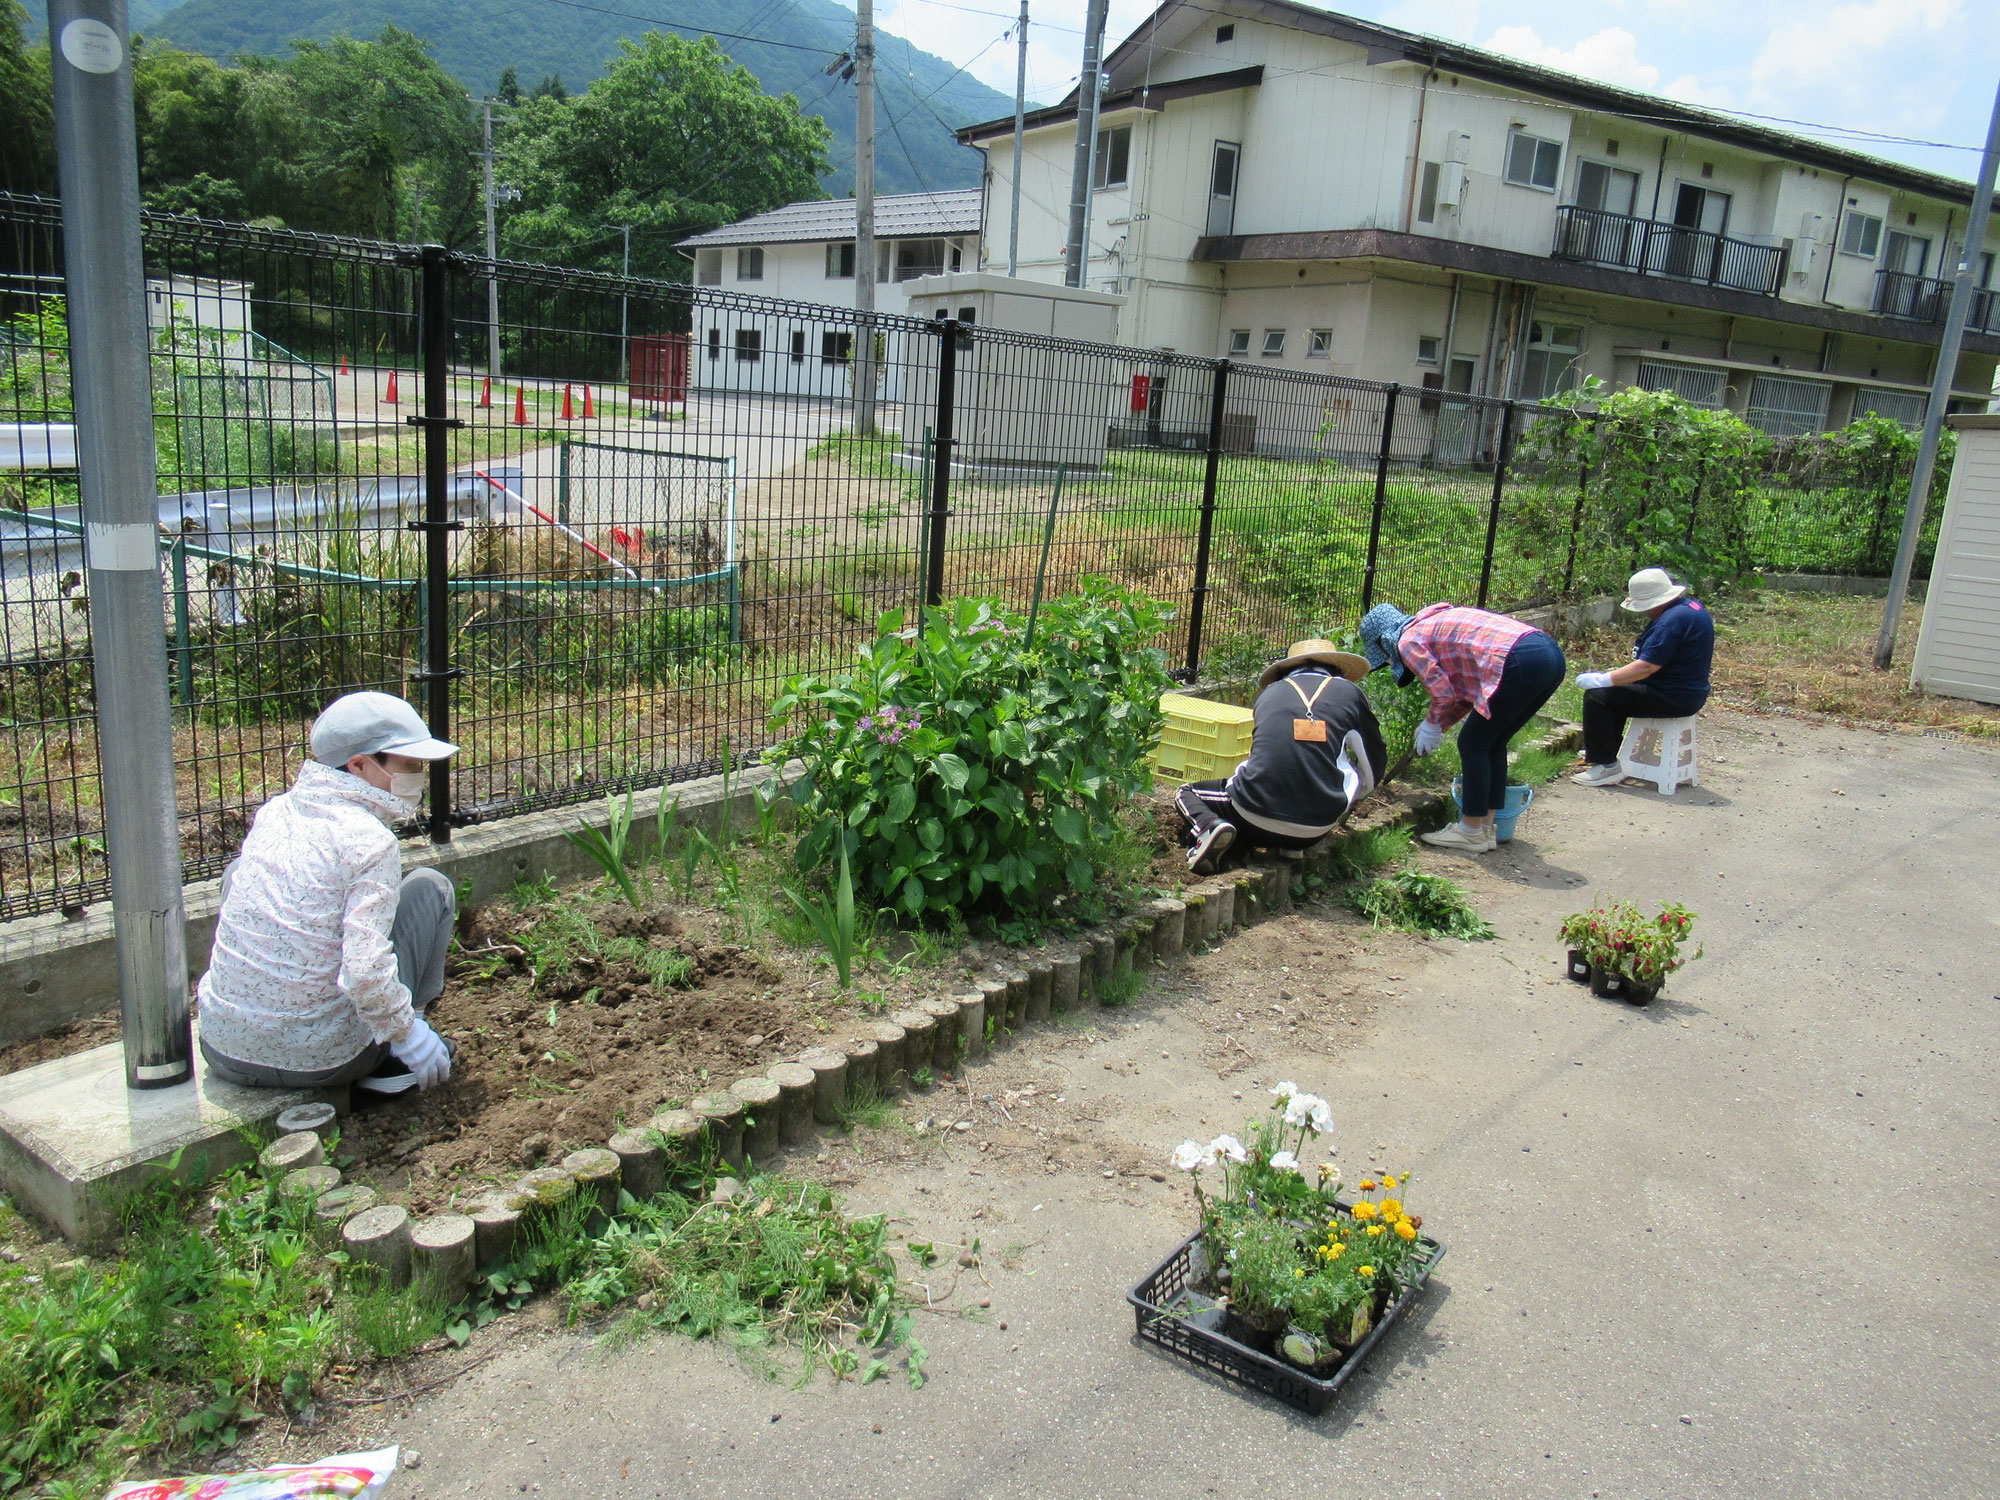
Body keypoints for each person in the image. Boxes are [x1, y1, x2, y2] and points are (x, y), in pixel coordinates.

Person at [198, 691, 460, 1095]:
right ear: (359, 765)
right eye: (410, 764)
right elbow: (362, 970)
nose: (419, 775)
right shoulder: (369, 840)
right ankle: (398, 1051)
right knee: (430, 889)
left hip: (222, 1050)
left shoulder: (274, 813)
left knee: (238, 873)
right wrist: (407, 1035)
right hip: (324, 1062)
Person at [1359, 600, 1566, 853]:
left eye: (1385, 657)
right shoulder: (1431, 625)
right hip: (1548, 654)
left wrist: (1430, 723)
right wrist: (1438, 726)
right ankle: (1485, 829)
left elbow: (1443, 694)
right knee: (1492, 741)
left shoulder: (1408, 640)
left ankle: (1469, 831)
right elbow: (1465, 698)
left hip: (1518, 659)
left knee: (1473, 743)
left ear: (1385, 640)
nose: (1390, 662)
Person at [1174, 639, 1387, 873]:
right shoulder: (1350, 694)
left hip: (1254, 819)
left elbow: (1269, 756)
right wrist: (1358, 796)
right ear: (1337, 670)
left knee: (1186, 792)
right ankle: (1289, 847)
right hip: (1316, 829)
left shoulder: (1270, 693)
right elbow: (1373, 762)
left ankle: (1210, 827)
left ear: (1285, 671)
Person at [1570, 568, 1715, 787]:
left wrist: (1605, 679)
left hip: (1673, 696)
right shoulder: (1688, 608)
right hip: (1687, 690)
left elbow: (1647, 666)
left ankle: (1605, 765)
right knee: (1617, 692)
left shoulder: (1670, 622)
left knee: (1599, 697)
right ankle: (1602, 748)